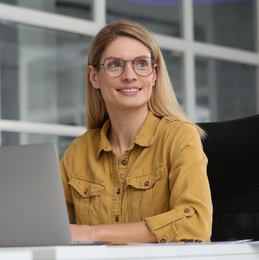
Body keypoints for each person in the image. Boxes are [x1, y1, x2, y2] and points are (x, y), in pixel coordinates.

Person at [59, 20, 212, 244]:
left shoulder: (179, 136)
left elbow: (195, 223)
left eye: (141, 64)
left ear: (154, 74)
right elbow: (44, 223)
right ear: (94, 77)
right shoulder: (78, 152)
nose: (130, 75)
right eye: (114, 65)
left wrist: (95, 233)